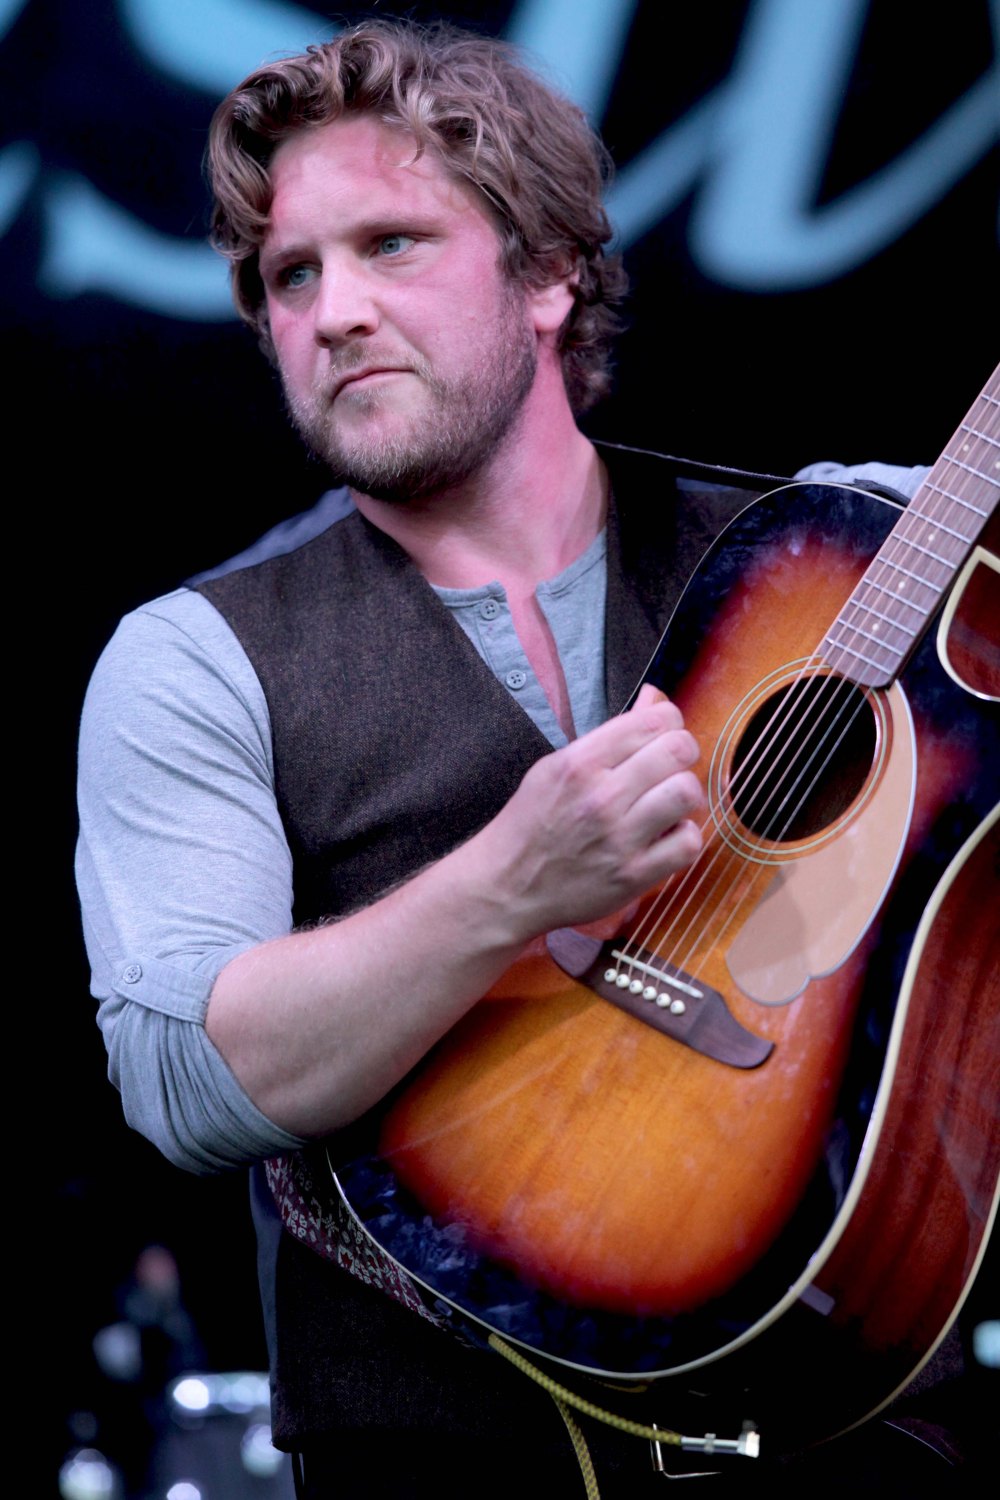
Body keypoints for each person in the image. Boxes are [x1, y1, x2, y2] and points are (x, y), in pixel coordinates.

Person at [77, 19, 946, 1497]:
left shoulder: (827, 553)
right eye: (293, 276)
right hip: (444, 1461)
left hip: (864, 1425)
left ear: (548, 276)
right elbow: (188, 1084)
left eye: (392, 245)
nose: (335, 311)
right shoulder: (193, 660)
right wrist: (506, 887)